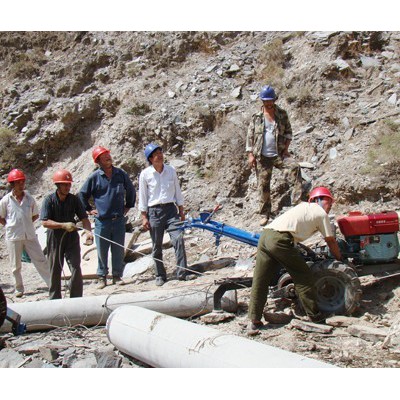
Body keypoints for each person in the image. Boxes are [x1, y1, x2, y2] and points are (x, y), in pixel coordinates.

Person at [248, 186, 343, 330]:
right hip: (280, 239)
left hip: (265, 236)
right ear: (321, 200)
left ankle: (254, 320)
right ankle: (316, 317)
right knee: (303, 275)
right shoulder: (321, 213)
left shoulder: (304, 207)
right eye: (330, 203)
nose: (330, 207)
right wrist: (340, 259)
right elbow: (330, 240)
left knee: (261, 279)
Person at [79, 146, 136, 289]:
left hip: (118, 220)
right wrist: (89, 209)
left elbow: (130, 189)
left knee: (117, 249)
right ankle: (101, 277)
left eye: (108, 155)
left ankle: (117, 276)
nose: (108, 157)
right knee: (101, 250)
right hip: (102, 221)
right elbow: (82, 194)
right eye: (104, 156)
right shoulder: (94, 177)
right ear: (98, 161)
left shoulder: (120, 174)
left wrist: (128, 206)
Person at [246, 85, 303, 226]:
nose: (268, 103)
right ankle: (265, 213)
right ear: (262, 101)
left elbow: (289, 132)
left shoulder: (282, 114)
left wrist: (286, 149)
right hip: (262, 156)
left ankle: (298, 205)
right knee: (263, 185)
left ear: (274, 100)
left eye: (270, 100)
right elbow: (250, 136)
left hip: (279, 154)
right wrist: (250, 155)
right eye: (266, 101)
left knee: (294, 168)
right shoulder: (257, 117)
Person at [138, 143, 194, 286]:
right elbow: (143, 196)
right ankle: (160, 275)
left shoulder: (171, 171)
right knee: (156, 245)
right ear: (150, 158)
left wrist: (181, 210)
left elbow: (177, 191)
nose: (160, 156)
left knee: (178, 239)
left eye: (160, 153)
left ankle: (182, 273)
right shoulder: (145, 174)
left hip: (170, 210)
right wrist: (144, 216)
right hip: (154, 212)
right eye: (156, 154)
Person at [40, 170, 93, 300]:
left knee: (75, 266)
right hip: (55, 238)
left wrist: (88, 232)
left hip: (71, 237)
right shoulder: (49, 200)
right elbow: (45, 222)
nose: (67, 187)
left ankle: (76, 298)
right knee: (55, 269)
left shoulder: (74, 200)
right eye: (64, 185)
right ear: (58, 185)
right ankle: (54, 299)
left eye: (69, 184)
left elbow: (84, 218)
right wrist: (62, 225)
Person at [0, 169, 50, 298]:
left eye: (22, 182)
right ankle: (19, 288)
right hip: (13, 236)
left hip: (29, 235)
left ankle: (51, 284)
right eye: (18, 182)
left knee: (40, 260)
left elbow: (35, 215)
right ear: (12, 184)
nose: (21, 184)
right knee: (15, 265)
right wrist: (11, 225)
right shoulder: (6, 200)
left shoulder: (29, 199)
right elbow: (1, 217)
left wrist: (26, 224)